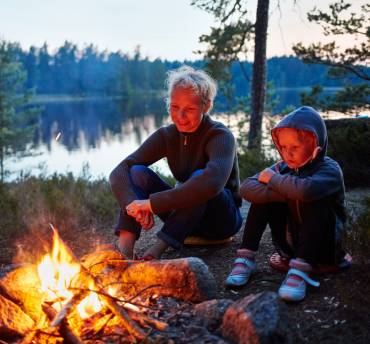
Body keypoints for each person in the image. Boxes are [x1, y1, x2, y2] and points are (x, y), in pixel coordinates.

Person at [109, 65, 243, 260]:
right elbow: (119, 171)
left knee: (200, 178)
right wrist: (133, 206)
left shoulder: (220, 136)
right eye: (174, 107)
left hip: (220, 221)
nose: (180, 116)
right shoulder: (167, 136)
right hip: (185, 217)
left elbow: (211, 183)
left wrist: (152, 204)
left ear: (206, 106)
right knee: (137, 172)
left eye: (190, 109)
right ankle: (125, 248)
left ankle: (158, 249)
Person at [225, 106, 348, 302]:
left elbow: (306, 191)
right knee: (263, 198)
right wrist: (285, 191)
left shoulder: (329, 169)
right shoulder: (282, 167)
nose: (287, 153)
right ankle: (246, 259)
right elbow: (247, 187)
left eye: (294, 147)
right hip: (290, 245)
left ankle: (300, 271)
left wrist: (275, 182)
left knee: (311, 197)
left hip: (324, 248)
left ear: (316, 145)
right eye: (283, 147)